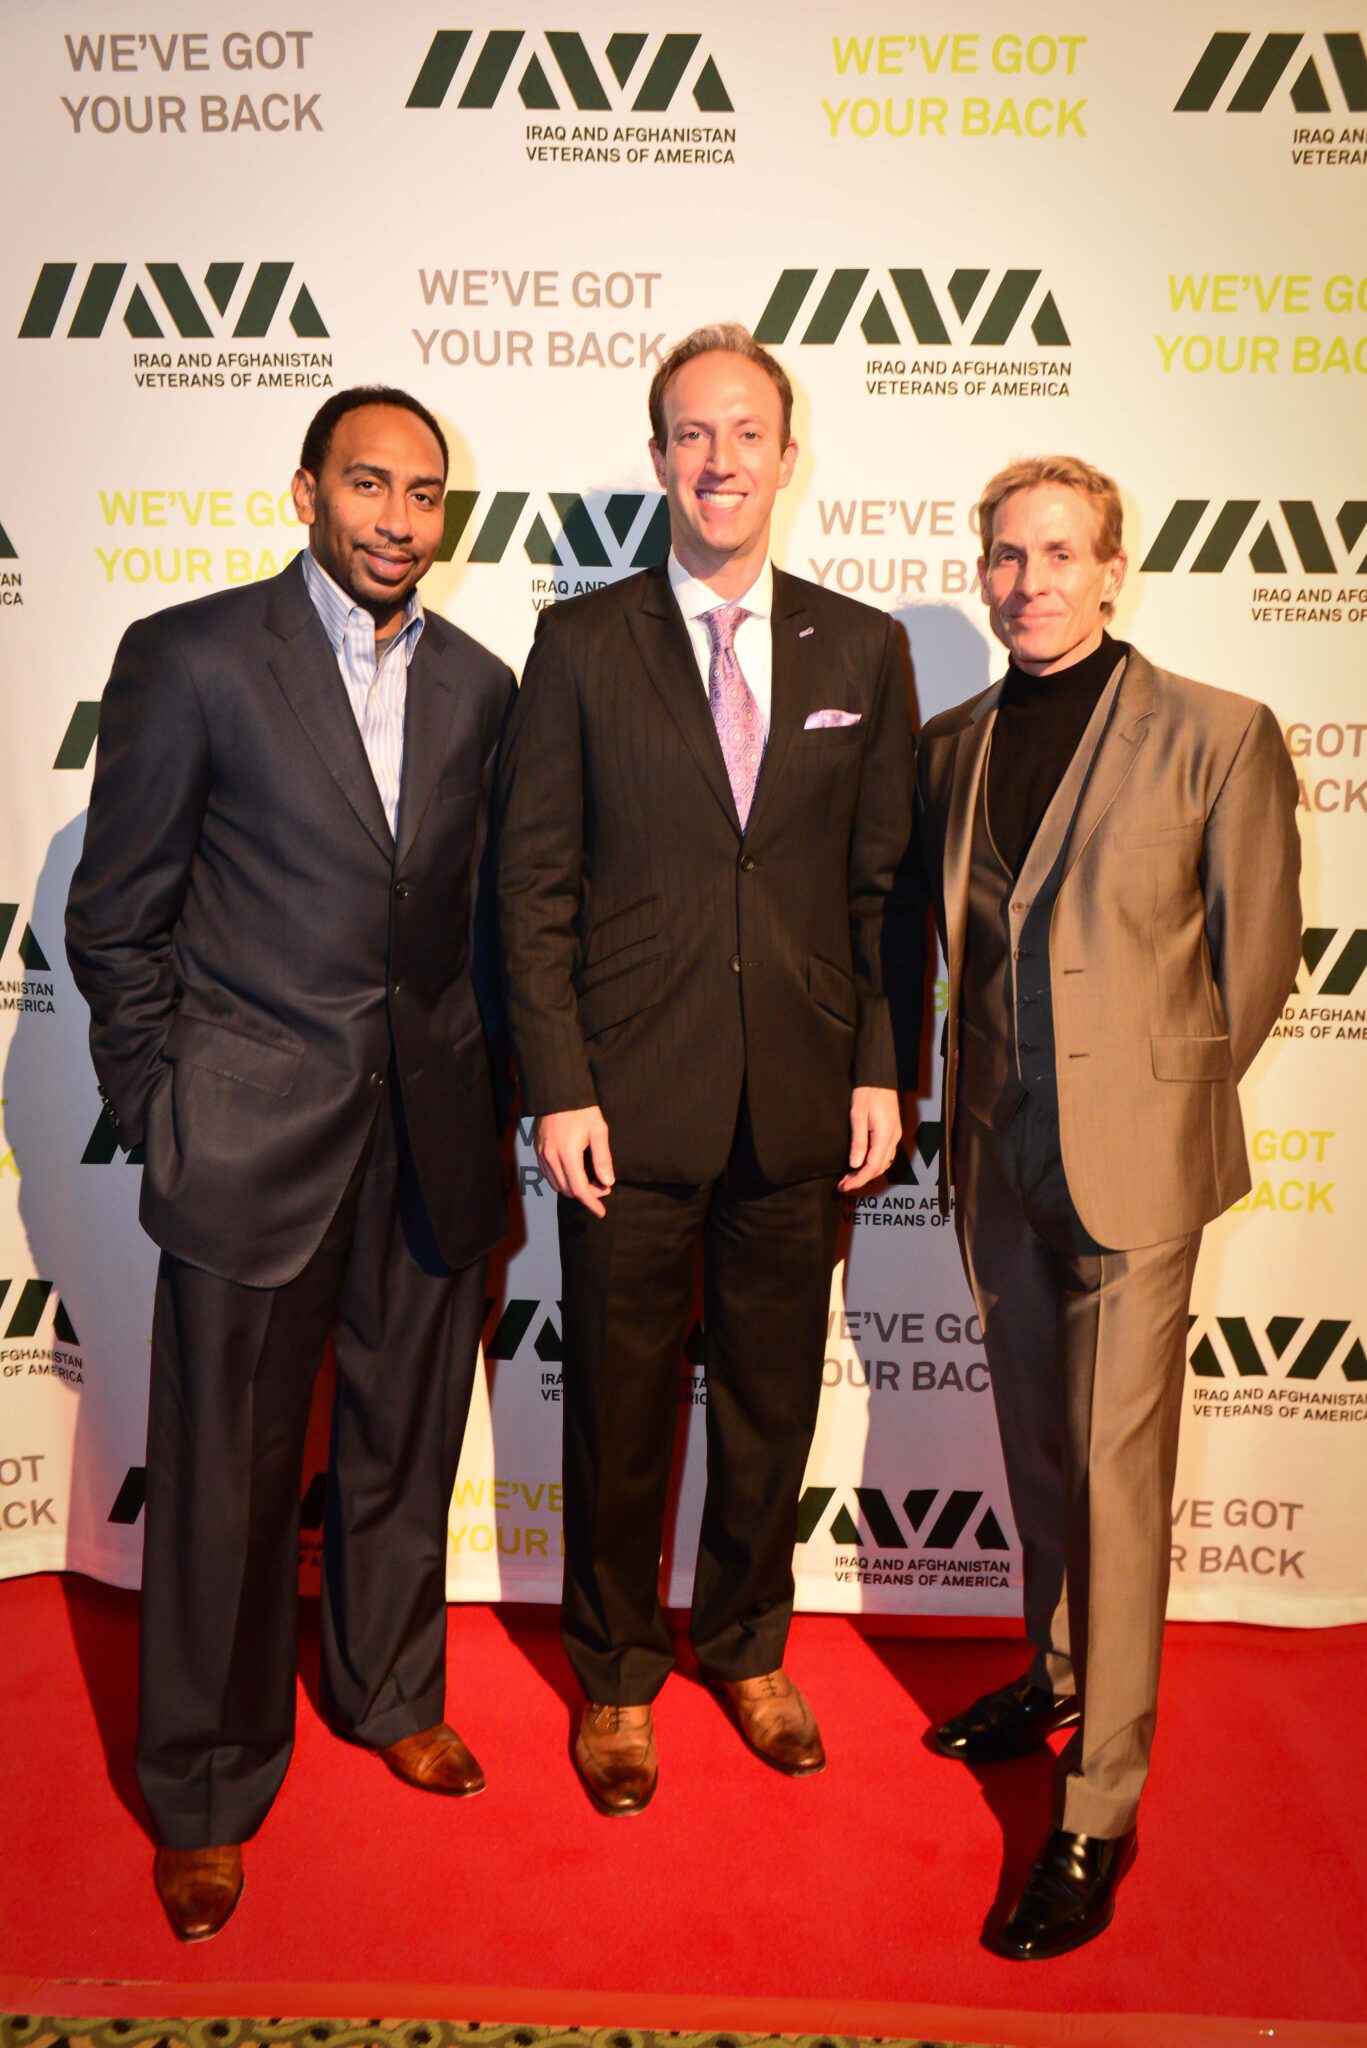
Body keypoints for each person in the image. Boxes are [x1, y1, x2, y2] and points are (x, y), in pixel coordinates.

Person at [66, 386, 514, 1940]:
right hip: (249, 1144)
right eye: (370, 485)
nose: (399, 519)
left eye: (426, 495)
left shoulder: (480, 683)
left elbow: (481, 928)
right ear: (308, 489)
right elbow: (117, 918)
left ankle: (389, 1691)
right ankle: (200, 1783)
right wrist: (168, 1105)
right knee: (222, 1487)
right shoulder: (191, 658)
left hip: (432, 1140)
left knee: (403, 1450)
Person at [496, 323, 920, 1814]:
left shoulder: (862, 649)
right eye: (692, 432)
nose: (720, 457)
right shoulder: (582, 644)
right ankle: (614, 1676)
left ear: (788, 460)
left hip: (803, 1105)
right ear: (662, 457)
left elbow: (883, 894)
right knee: (614, 1403)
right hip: (626, 1102)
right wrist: (558, 1083)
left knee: (765, 1398)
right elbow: (531, 888)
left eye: (747, 432)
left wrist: (882, 1064)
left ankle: (745, 1643)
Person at [915, 454, 1301, 1958]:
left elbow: (1254, 967)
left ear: (1114, 569)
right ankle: (1058, 1666)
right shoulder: (952, 745)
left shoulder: (1217, 733)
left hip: (1138, 1174)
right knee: (1039, 1446)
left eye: (1061, 555)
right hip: (998, 1159)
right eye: (1007, 555)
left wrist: (1153, 1101)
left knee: (1122, 1477)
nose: (1031, 583)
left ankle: (1099, 1810)